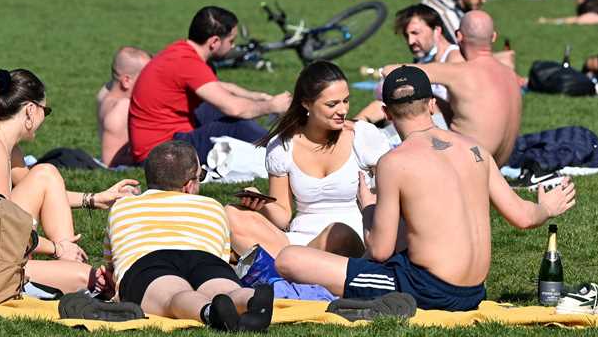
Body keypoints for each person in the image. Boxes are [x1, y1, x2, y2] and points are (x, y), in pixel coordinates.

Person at [274, 66, 576, 311]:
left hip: (428, 289)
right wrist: (547, 207)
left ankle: (381, 303)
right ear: (432, 104)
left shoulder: (396, 162)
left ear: (386, 113)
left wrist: (367, 206)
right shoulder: (475, 150)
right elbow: (523, 217)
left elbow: (379, 250)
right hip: (474, 290)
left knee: (290, 259)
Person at [0, 68, 139, 294]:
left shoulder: (4, 146)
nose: (44, 118)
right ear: (30, 110)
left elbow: (48, 193)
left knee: (46, 174)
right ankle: (70, 263)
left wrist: (95, 199)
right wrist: (56, 249)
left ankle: (70, 262)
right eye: (45, 111)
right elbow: (2, 224)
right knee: (86, 279)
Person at [104, 141, 274, 330]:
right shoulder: (212, 207)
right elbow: (222, 257)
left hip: (148, 261)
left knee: (174, 297)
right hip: (204, 258)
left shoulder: (123, 207)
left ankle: (209, 311)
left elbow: (113, 263)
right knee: (226, 290)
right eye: (200, 176)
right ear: (188, 186)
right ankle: (250, 299)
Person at [225, 62, 389, 258]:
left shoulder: (362, 136)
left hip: (350, 240)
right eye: (332, 104)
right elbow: (283, 216)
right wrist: (260, 202)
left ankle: (281, 268)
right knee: (232, 213)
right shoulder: (283, 145)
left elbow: (389, 200)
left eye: (345, 101)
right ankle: (293, 267)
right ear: (306, 104)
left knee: (338, 233)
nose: (343, 110)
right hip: (299, 240)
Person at [128, 6, 291, 163]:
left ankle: (283, 148)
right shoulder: (188, 63)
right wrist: (271, 106)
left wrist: (256, 97)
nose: (233, 46)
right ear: (214, 42)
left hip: (163, 143)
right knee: (236, 126)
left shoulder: (181, 52)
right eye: (231, 41)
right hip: (161, 153)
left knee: (213, 110)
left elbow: (216, 87)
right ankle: (289, 153)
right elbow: (235, 108)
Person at [382, 11, 522, 166]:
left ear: (459, 36)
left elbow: (390, 71)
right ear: (494, 37)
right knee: (437, 102)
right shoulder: (510, 74)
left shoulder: (460, 72)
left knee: (413, 106)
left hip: (465, 167)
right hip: (496, 168)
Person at [354, 5, 461, 127]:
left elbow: (457, 109)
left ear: (437, 30)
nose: (410, 41)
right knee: (377, 108)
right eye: (407, 35)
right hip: (420, 123)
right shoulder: (424, 60)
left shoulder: (454, 58)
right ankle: (347, 134)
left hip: (444, 129)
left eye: (415, 33)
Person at [98, 47, 152, 168]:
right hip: (118, 166)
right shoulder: (123, 107)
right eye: (145, 76)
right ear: (126, 80)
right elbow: (109, 162)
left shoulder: (104, 92)